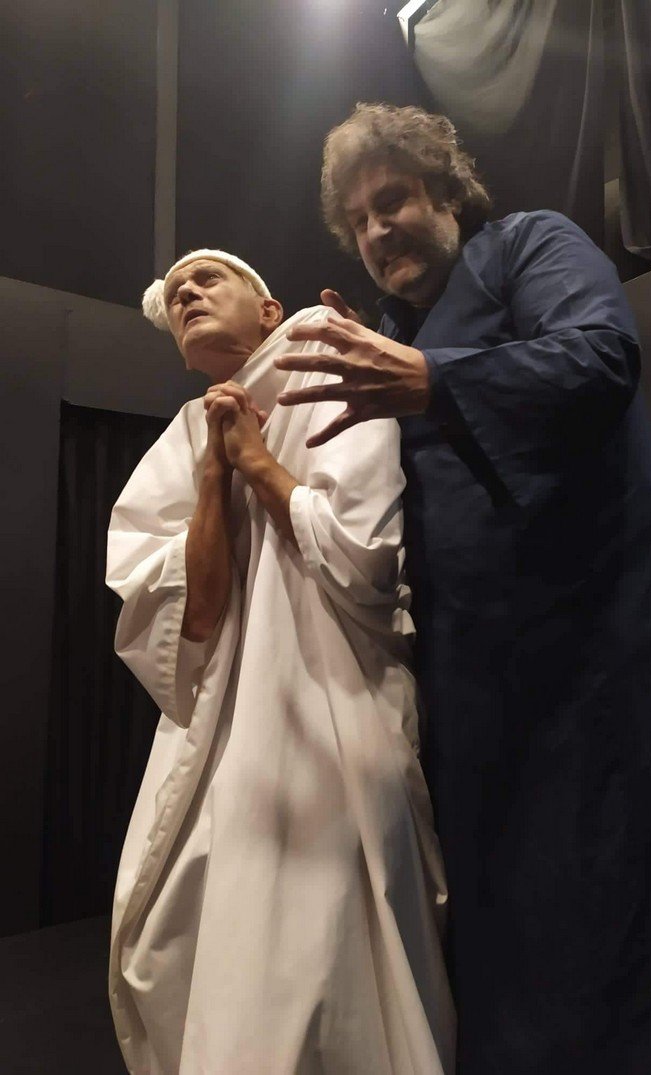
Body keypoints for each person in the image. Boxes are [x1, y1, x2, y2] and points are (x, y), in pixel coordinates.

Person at [274, 104, 651, 1074]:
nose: (378, 230)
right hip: (472, 665)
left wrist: (430, 377)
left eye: (393, 200)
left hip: (598, 642)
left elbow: (600, 355)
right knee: (507, 906)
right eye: (359, 219)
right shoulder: (388, 332)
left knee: (625, 887)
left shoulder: (527, 247)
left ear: (446, 194)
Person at [105, 248, 455, 1074]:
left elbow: (366, 566)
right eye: (176, 291)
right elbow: (191, 623)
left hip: (329, 700)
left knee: (322, 956)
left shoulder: (324, 361)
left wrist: (259, 463)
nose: (187, 293)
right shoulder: (183, 437)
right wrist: (214, 469)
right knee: (180, 949)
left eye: (208, 278)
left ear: (269, 310)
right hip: (219, 738)